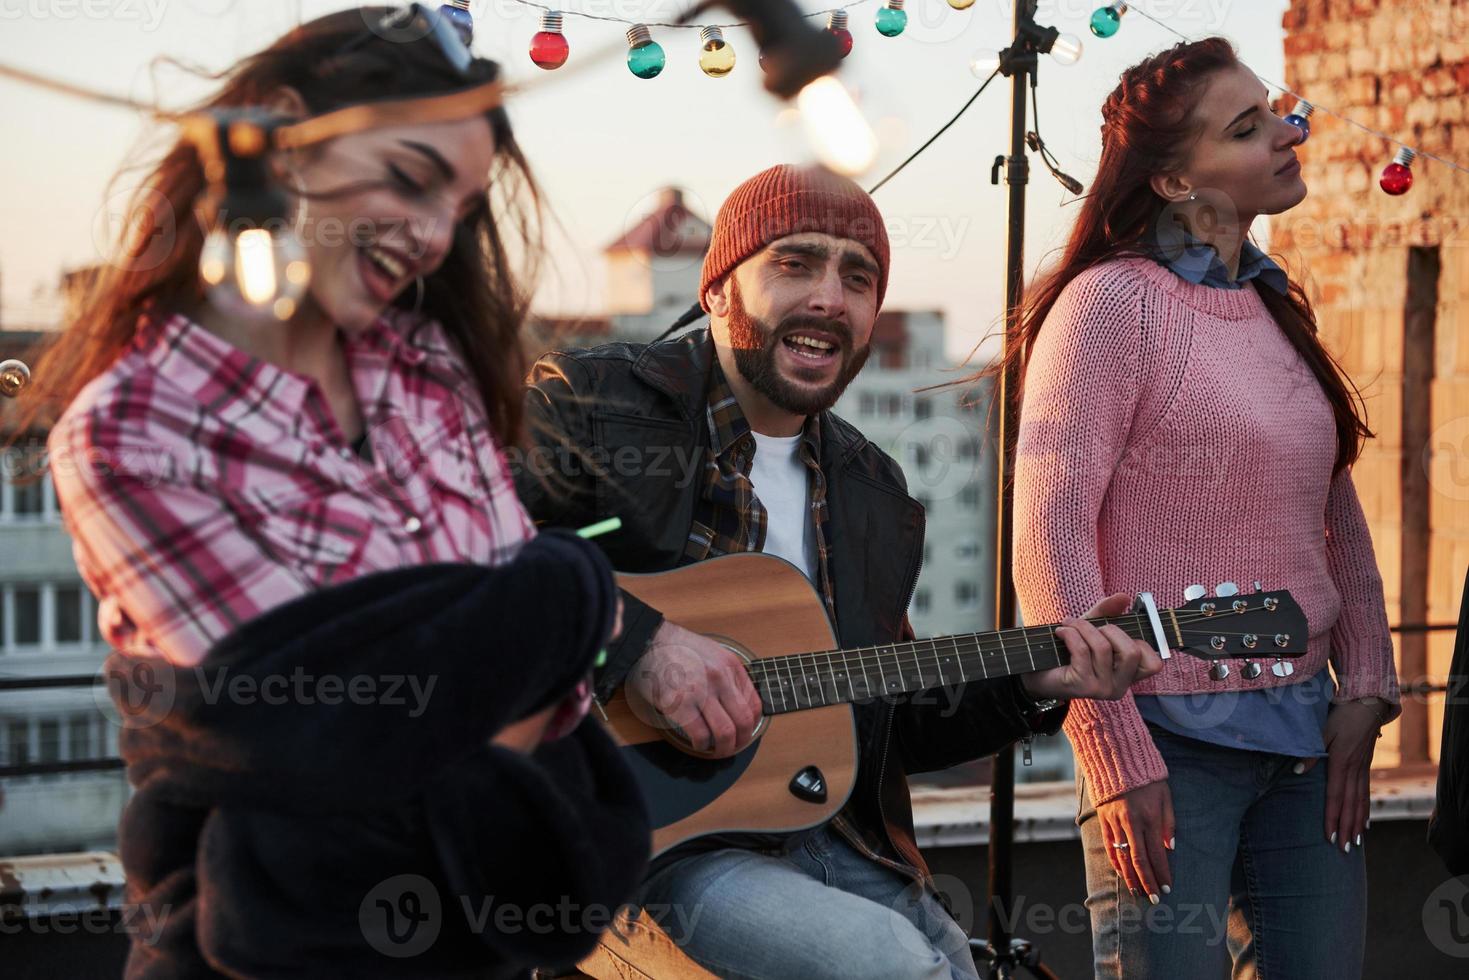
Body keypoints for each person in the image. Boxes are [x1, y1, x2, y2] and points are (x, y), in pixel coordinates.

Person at [22, 7, 647, 976]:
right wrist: (564, 591)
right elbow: (323, 744)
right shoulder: (130, 428)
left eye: (461, 206)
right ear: (283, 135)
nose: (437, 236)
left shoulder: (430, 367)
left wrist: (486, 662)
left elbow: (432, 729)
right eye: (409, 177)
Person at [516, 163, 1163, 980]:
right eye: (794, 263)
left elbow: (887, 719)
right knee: (895, 967)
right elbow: (475, 552)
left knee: (954, 967)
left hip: (827, 831)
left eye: (857, 278)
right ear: (718, 291)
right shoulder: (592, 403)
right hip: (629, 842)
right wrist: (642, 641)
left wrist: (1034, 686)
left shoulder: (873, 494)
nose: (829, 297)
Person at [1008, 37, 1401, 979]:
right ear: (1177, 182)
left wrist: (1369, 683)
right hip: (1167, 745)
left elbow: (1330, 506)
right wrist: (1112, 752)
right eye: (1247, 125)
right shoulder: (1110, 307)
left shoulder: (1273, 304)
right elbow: (1047, 539)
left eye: (1272, 109)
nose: (1285, 132)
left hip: (1307, 739)